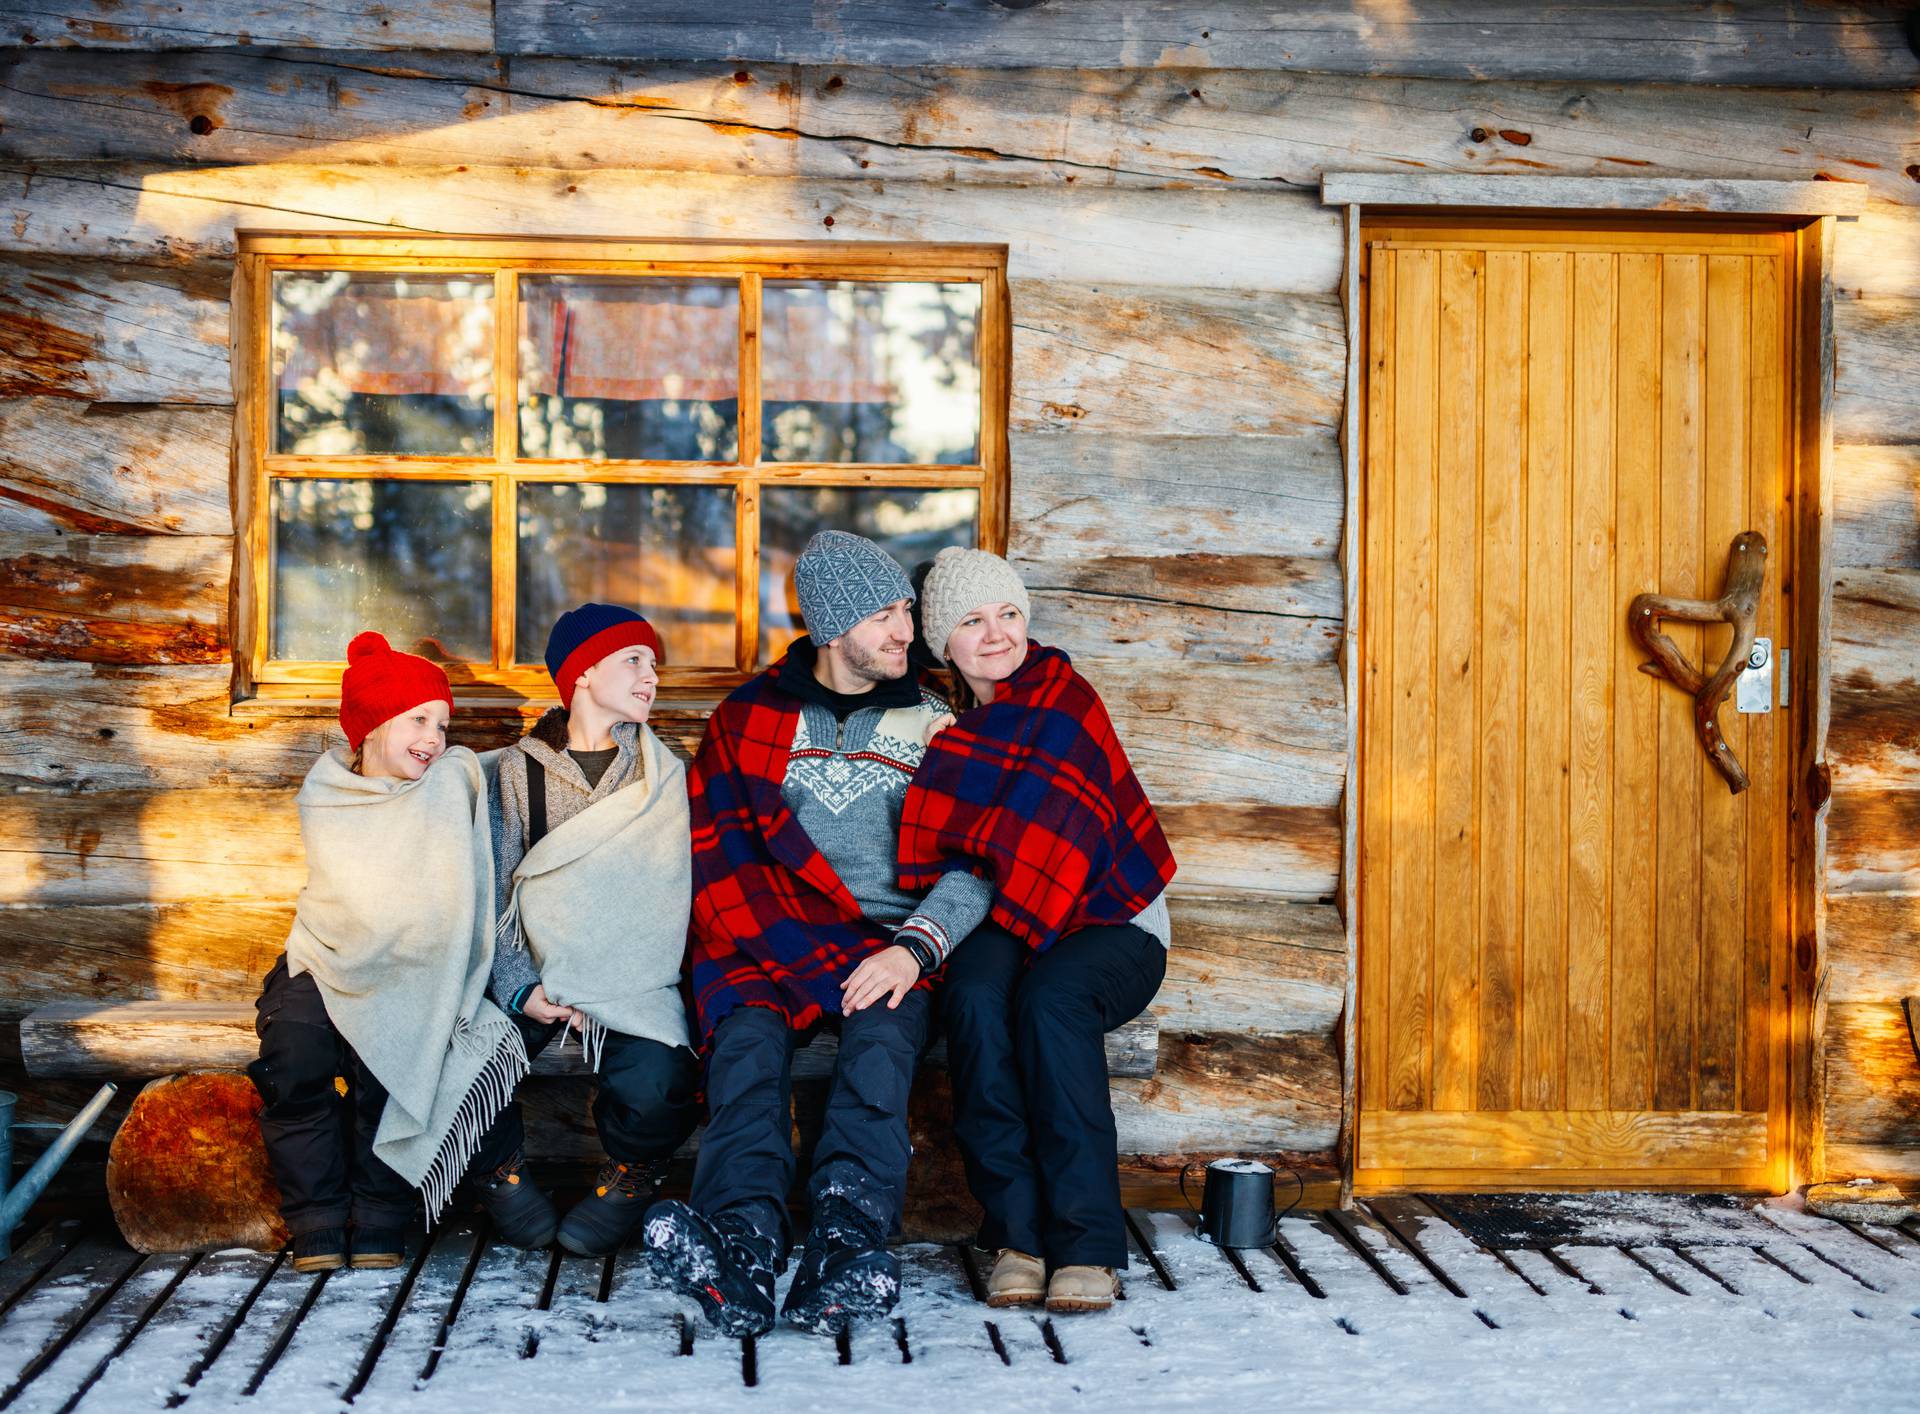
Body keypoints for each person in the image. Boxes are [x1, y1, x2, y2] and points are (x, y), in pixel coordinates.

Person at [643, 530, 993, 1338]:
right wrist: (775, 955)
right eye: (884, 616)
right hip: (762, 937)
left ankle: (845, 1241)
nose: (906, 631)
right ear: (834, 629)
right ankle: (740, 1243)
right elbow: (721, 849)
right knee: (746, 1051)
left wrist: (914, 948)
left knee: (878, 1052)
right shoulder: (749, 718)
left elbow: (978, 861)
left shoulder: (939, 721)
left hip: (887, 942)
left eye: (906, 609)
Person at [900, 547, 1177, 1314]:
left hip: (1112, 921)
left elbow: (1061, 846)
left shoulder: (1063, 699)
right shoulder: (948, 729)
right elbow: (968, 857)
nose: (997, 635)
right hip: (1009, 913)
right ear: (941, 643)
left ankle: (1087, 1245)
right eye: (972, 620)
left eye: (1009, 613)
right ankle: (1017, 1235)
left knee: (1049, 1001)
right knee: (977, 995)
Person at [249, 632, 529, 1273]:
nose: (434, 738)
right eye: (418, 720)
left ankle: (380, 1213)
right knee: (294, 1055)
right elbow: (347, 900)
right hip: (326, 952)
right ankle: (316, 1216)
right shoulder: (327, 795)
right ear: (372, 725)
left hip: (418, 964)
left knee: (396, 1055)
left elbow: (514, 764)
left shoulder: (452, 780)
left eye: (442, 723)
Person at [472, 603, 702, 1256]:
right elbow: (494, 891)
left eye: (654, 664)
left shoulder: (664, 773)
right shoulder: (517, 775)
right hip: (539, 969)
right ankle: (499, 1174)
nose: (650, 676)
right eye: (633, 660)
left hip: (635, 973)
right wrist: (524, 990)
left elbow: (673, 889)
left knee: (659, 1081)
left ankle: (630, 1176)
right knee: (463, 1061)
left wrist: (630, 975)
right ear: (581, 675)